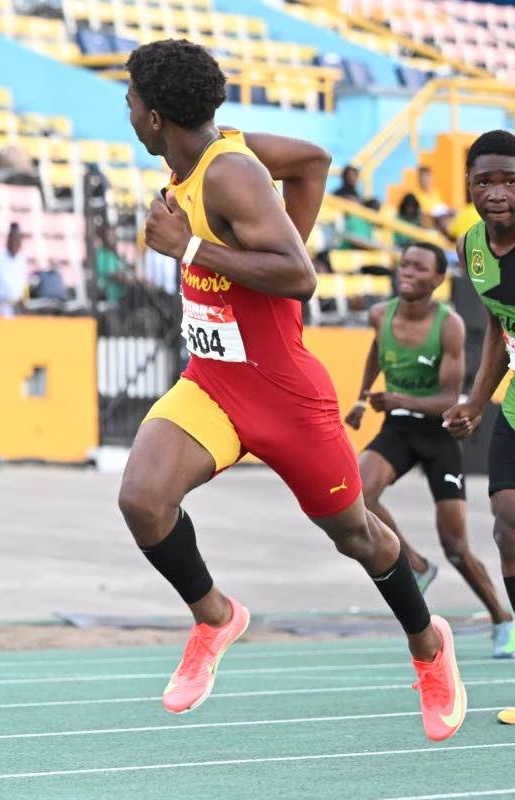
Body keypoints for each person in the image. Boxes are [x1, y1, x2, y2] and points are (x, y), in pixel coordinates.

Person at [119, 40, 465, 741]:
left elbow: (300, 277)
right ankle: (216, 615)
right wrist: (266, 251)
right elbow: (312, 162)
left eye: (128, 99)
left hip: (283, 395)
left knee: (356, 535)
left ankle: (430, 644)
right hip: (213, 383)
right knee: (143, 500)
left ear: (154, 117)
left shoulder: (231, 175)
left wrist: (189, 250)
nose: (124, 108)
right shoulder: (206, 159)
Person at [345, 242, 514, 656]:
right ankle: (416, 565)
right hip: (398, 431)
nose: (408, 272)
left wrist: (401, 399)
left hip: (439, 435)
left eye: (419, 268)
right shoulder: (379, 314)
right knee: (355, 494)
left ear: (439, 280)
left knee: (456, 546)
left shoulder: (450, 326)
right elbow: (374, 352)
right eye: (404, 265)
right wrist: (364, 397)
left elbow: (448, 399)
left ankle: (501, 618)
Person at [444, 129, 515, 724]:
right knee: (508, 526)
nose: (497, 193)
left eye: (511, 181)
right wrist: (475, 400)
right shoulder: (470, 245)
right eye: (485, 180)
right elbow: (496, 327)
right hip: (514, 407)